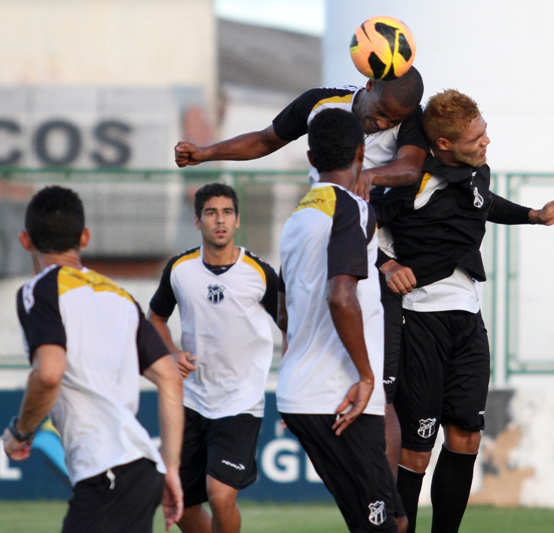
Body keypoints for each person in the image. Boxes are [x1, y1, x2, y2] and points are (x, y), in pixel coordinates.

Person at [175, 66, 428, 478]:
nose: (383, 124)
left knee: (381, 391)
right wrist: (206, 153)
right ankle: (301, 402)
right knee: (291, 321)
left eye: (392, 121)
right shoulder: (320, 101)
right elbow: (264, 140)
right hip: (311, 237)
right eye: (381, 113)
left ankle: (386, 501)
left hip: (367, 250)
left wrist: (366, 177)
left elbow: (411, 167)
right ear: (368, 87)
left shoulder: (409, 117)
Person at [371, 89, 554, 533]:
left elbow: (482, 204)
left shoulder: (476, 173)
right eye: (476, 137)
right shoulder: (412, 180)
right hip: (419, 320)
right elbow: (356, 219)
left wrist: (535, 215)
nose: (486, 141)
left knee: (467, 437)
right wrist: (385, 263)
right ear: (444, 145)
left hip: (467, 322)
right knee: (417, 448)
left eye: (485, 131)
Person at [3, 186, 184, 533]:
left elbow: (49, 373)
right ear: (85, 237)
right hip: (144, 468)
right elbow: (171, 378)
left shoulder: (38, 290)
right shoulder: (120, 296)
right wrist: (171, 467)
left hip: (106, 472)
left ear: (25, 240)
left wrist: (20, 432)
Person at [277, 108, 405, 533]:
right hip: (342, 395)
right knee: (382, 527)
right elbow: (341, 294)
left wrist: (296, 365)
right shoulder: (352, 209)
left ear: (311, 157)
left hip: (302, 392)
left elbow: (284, 309)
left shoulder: (297, 218)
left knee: (393, 521)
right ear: (361, 153)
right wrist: (368, 377)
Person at [147, 183, 279, 533]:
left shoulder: (260, 273)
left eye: (226, 213)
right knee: (180, 505)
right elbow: (156, 318)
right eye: (210, 213)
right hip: (190, 400)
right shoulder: (179, 270)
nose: (219, 220)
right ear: (197, 222)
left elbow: (290, 326)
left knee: (220, 496)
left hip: (240, 402)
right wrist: (172, 352)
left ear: (237, 221)